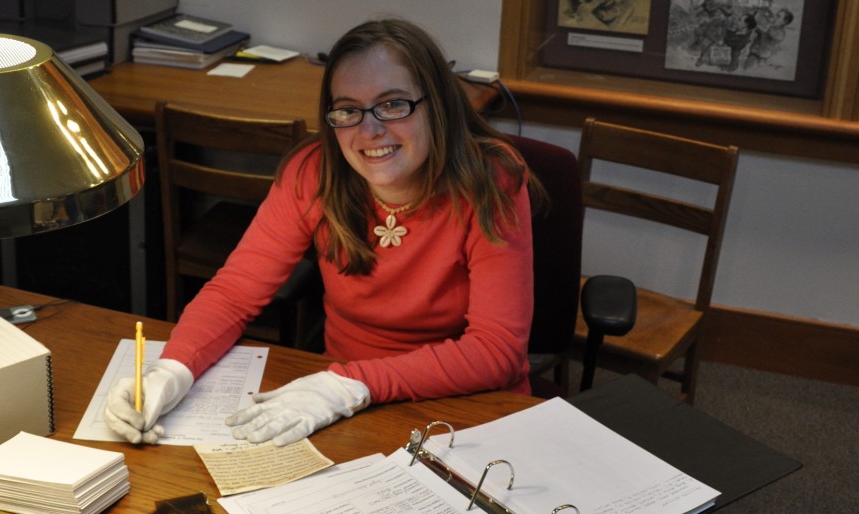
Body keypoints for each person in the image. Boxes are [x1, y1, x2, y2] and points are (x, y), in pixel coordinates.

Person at [105, 18, 542, 446]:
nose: (369, 131)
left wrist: (349, 385)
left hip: (458, 402)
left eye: (393, 104)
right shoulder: (313, 171)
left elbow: (496, 351)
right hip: (339, 402)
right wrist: (171, 370)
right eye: (348, 110)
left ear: (438, 104)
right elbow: (236, 292)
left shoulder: (492, 180)